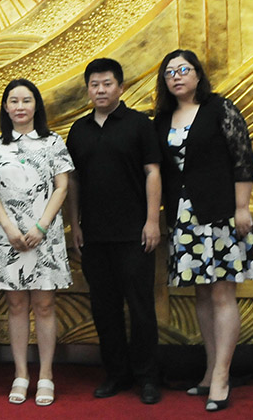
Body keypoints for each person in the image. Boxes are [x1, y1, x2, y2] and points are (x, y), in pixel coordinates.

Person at [153, 49, 253, 412]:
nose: (177, 76)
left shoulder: (219, 108)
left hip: (221, 213)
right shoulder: (162, 118)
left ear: (198, 74)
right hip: (183, 218)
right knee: (201, 295)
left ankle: (222, 377)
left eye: (184, 69)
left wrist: (242, 207)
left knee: (222, 294)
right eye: (170, 72)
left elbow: (243, 158)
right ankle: (210, 369)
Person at [64, 57, 163, 405]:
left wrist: (152, 221)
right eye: (94, 84)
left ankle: (148, 377)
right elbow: (72, 180)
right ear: (88, 90)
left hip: (135, 234)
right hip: (93, 236)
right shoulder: (78, 130)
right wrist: (74, 223)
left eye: (107, 83)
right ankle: (116, 374)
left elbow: (153, 172)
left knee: (140, 307)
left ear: (120, 87)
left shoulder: (139, 124)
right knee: (104, 309)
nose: (101, 90)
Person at [0, 79, 74, 406]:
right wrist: (8, 227)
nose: (20, 106)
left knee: (44, 306)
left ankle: (46, 374)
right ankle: (20, 374)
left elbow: (62, 186)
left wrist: (42, 226)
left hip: (44, 235)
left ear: (36, 105)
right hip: (8, 237)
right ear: (5, 107)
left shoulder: (52, 142)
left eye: (26, 100)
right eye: (14, 101)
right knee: (16, 306)